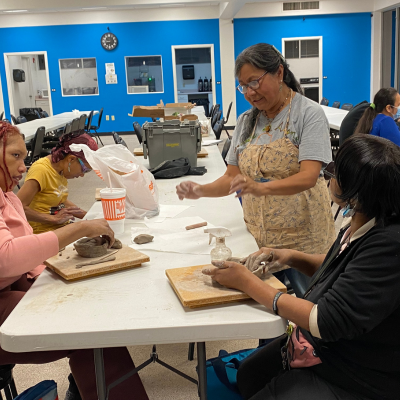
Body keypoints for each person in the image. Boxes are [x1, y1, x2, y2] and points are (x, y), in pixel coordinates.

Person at [203, 134, 400, 400]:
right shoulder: (366, 218)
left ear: (355, 191)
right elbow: (344, 267)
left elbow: (324, 320)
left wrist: (248, 283)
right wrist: (290, 257)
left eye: (334, 172)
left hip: (356, 373)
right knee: (249, 374)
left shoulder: (389, 245)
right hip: (327, 348)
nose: (329, 177)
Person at [0, 121, 149, 400]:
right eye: (15, 156)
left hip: (13, 287)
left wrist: (60, 278)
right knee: (88, 332)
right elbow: (6, 259)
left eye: (24, 156)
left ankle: (85, 390)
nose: (23, 166)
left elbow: (22, 255)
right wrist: (77, 229)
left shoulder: (8, 197)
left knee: (90, 311)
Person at [176, 43, 335, 296]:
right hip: (259, 238)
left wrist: (261, 187)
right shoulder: (246, 122)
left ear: (279, 73)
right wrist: (200, 190)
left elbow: (309, 176)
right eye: (243, 86)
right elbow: (232, 176)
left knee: (307, 310)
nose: (249, 92)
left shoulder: (308, 114)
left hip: (304, 239)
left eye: (254, 82)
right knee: (266, 308)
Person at [17, 130, 98, 234]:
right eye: (85, 169)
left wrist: (88, 216)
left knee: (100, 231)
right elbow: (18, 207)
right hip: (42, 232)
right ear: (71, 159)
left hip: (58, 227)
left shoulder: (61, 169)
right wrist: (53, 219)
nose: (82, 175)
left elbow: (60, 199)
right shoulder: (41, 170)